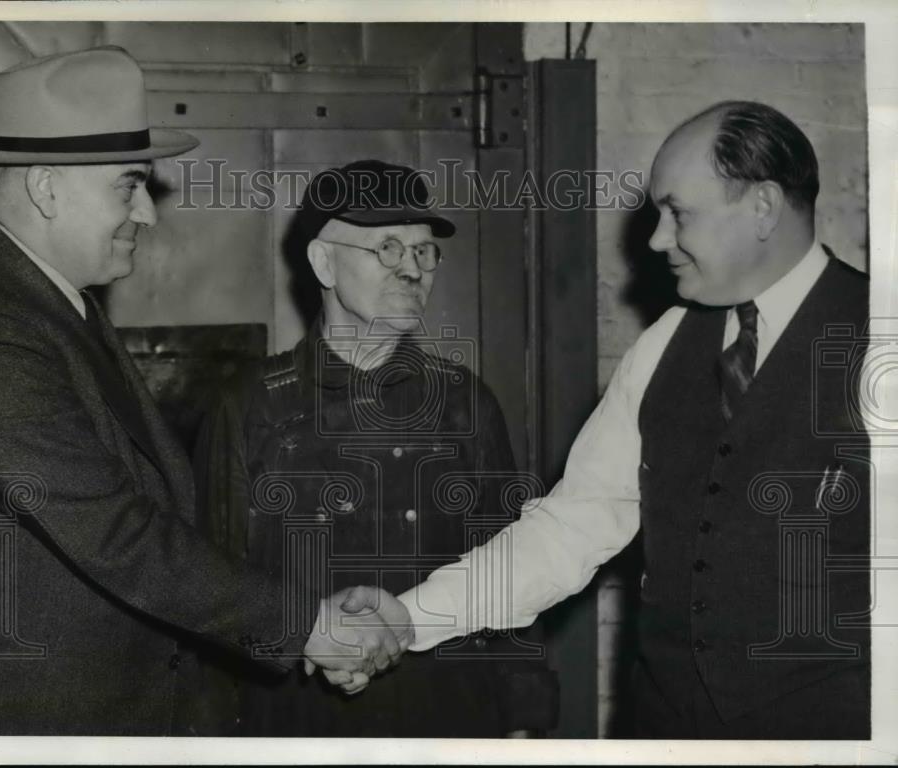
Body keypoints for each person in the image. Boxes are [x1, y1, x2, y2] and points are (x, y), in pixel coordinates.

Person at [343, 101, 871, 739]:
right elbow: (573, 525)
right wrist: (409, 617)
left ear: (761, 207)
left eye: (678, 214)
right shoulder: (665, 342)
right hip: (665, 728)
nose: (655, 240)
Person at [0, 47, 404, 736]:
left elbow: (149, 522)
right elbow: (116, 533)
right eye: (129, 186)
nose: (148, 215)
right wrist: (306, 623)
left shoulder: (58, 307)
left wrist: (306, 613)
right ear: (45, 189)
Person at [193, 160, 559, 737]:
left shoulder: (465, 404)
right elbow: (211, 588)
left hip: (447, 721)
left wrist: (523, 724)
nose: (412, 269)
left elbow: (506, 573)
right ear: (323, 262)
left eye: (423, 251)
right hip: (296, 726)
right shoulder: (250, 407)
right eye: (387, 248)